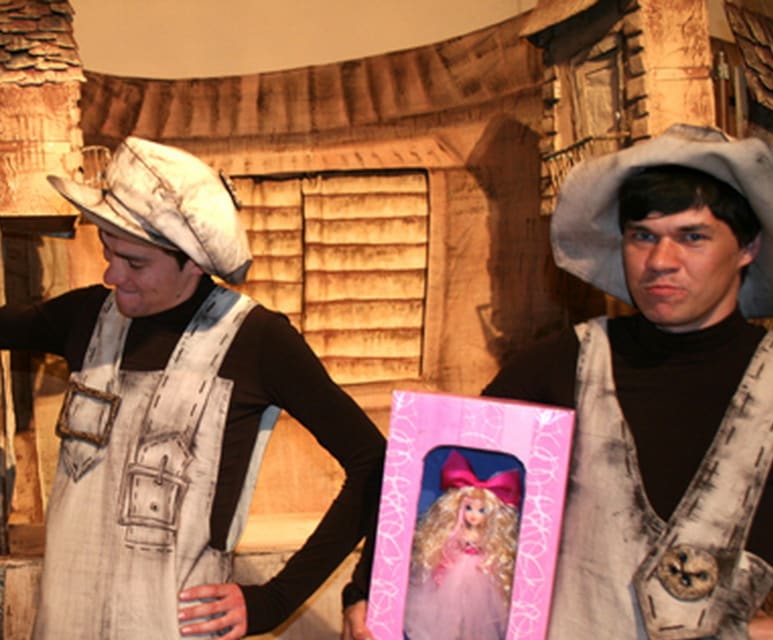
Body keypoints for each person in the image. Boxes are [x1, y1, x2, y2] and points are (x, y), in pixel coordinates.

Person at [0, 137, 385, 639]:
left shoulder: (256, 341)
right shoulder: (86, 317)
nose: (113, 274)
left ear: (195, 262)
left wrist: (273, 601)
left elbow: (373, 463)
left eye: (135, 263)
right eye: (108, 252)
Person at [483, 124, 773, 639]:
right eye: (642, 236)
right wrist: (369, 594)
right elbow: (442, 476)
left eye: (692, 237)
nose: (660, 262)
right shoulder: (562, 365)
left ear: (747, 247)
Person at [404, 449, 520, 640]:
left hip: (479, 573)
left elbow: (492, 547)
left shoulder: (485, 535)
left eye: (481, 510)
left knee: (477, 612)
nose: (473, 515)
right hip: (455, 571)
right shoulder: (459, 530)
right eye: (469, 508)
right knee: (448, 606)